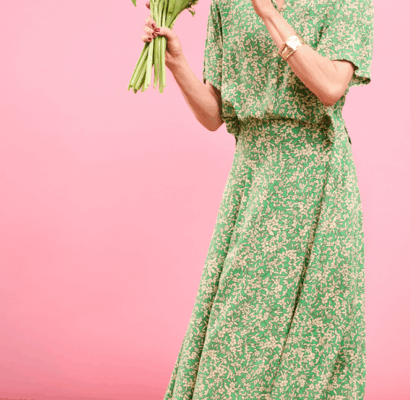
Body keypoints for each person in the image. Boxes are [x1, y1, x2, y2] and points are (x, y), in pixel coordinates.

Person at [142, 0, 373, 397]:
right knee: (238, 322)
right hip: (252, 178)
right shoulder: (227, 5)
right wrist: (176, 61)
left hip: (316, 178)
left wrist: (267, 12)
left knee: (315, 326)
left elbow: (331, 87)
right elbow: (214, 114)